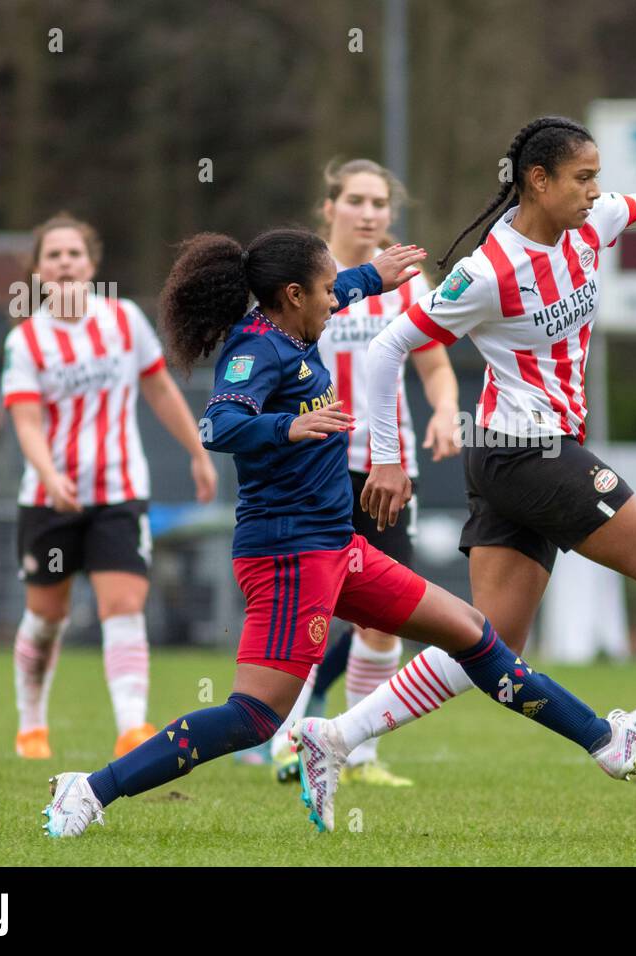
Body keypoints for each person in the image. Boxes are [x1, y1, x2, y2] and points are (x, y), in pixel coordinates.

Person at [40, 227, 636, 837]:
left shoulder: (297, 321)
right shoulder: (258, 349)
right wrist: (287, 428)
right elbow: (219, 425)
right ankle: (90, 789)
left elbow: (341, 291)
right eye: (327, 288)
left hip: (337, 548)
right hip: (288, 557)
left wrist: (376, 276)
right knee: (253, 717)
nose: (335, 297)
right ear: (292, 295)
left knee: (476, 635)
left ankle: (604, 741)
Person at [325, 115, 636, 803]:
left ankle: (334, 737)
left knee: (487, 641)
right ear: (537, 182)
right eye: (582, 178)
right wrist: (389, 460)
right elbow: (384, 347)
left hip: (515, 457)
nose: (595, 190)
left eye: (597, 176)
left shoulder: (592, 221)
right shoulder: (486, 272)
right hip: (529, 453)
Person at [266, 158, 461, 788]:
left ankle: (356, 750)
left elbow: (432, 363)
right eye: (356, 200)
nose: (370, 212)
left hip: (385, 470)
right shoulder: (301, 278)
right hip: (311, 468)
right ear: (329, 207)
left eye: (380, 202)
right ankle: (287, 745)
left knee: (385, 615)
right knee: (307, 609)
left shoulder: (409, 280)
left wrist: (447, 412)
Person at [2, 214, 219, 760]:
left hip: (119, 494)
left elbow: (161, 390)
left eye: (74, 253)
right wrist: (50, 476)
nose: (65, 263)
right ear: (37, 271)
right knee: (47, 616)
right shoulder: (26, 339)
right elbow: (26, 422)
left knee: (123, 606)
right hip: (49, 501)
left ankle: (131, 727)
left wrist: (198, 451)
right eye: (53, 255)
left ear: (91, 264)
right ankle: (31, 726)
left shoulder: (123, 320)